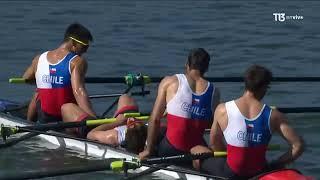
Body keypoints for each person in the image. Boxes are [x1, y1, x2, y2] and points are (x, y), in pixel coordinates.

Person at [190, 65, 305, 179]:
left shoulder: (222, 109)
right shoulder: (274, 115)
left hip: (230, 173)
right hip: (260, 172)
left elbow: (214, 143)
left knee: (196, 150)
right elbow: (298, 146)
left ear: (246, 83)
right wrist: (277, 163)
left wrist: (229, 157)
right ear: (264, 87)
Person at [139, 48, 220, 160]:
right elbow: (210, 125)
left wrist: (148, 150)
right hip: (195, 151)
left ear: (187, 64)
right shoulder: (214, 91)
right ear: (206, 68)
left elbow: (155, 119)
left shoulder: (170, 81)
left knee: (158, 128)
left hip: (170, 149)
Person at [22, 23, 96, 123]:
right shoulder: (77, 61)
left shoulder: (38, 59)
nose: (85, 51)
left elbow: (26, 79)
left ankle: (28, 123)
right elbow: (78, 91)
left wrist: (44, 80)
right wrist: (92, 118)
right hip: (67, 119)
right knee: (39, 92)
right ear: (73, 42)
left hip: (45, 117)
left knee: (38, 92)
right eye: (84, 47)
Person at [62, 94, 147, 153]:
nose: (132, 119)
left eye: (132, 122)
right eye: (137, 121)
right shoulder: (146, 131)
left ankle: (71, 135)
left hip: (99, 130)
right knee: (125, 97)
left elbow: (90, 135)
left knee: (67, 107)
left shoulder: (112, 136)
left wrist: (116, 122)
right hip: (126, 128)